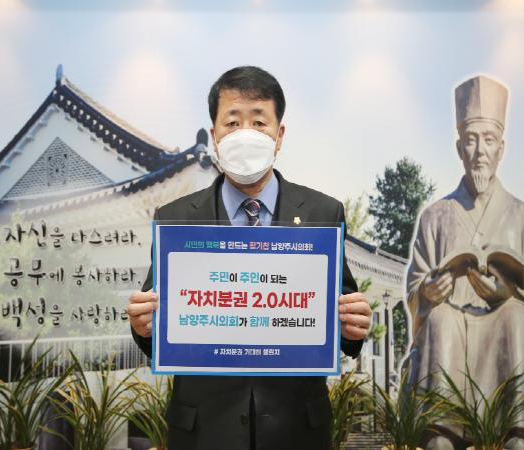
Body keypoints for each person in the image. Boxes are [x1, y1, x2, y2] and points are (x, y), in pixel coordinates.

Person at [127, 66, 371, 450]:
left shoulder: (323, 214)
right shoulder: (175, 218)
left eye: (258, 122)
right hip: (204, 430)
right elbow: (159, 327)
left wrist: (353, 327)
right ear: (214, 135)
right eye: (232, 123)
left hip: (297, 430)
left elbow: (340, 321)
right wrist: (144, 327)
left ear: (280, 135)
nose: (245, 134)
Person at [406, 75, 524, 450]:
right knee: (440, 319)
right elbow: (415, 289)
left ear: (501, 148)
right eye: (471, 140)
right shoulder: (435, 217)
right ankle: (441, 432)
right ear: (459, 148)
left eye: (489, 140)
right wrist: (427, 293)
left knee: (515, 315)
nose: (480, 151)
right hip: (452, 334)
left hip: (506, 330)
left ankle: (519, 434)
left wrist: (508, 294)